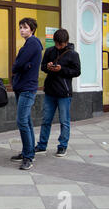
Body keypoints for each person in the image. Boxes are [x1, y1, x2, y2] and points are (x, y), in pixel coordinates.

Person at [35, 29, 81, 157]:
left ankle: (62, 146)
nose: (58, 46)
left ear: (66, 42)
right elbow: (43, 66)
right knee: (46, 120)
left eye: (60, 44)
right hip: (50, 91)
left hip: (64, 93)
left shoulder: (73, 54)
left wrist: (61, 69)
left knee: (64, 121)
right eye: (56, 43)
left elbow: (77, 71)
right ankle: (42, 145)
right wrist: (48, 67)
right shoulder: (50, 51)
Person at [10, 18, 43, 170]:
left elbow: (18, 64)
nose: (22, 30)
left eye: (25, 27)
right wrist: (21, 65)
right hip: (22, 86)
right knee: (26, 121)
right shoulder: (29, 43)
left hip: (27, 88)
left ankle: (28, 156)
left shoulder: (33, 43)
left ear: (32, 29)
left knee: (22, 121)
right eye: (20, 27)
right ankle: (26, 152)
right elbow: (20, 64)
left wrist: (20, 65)